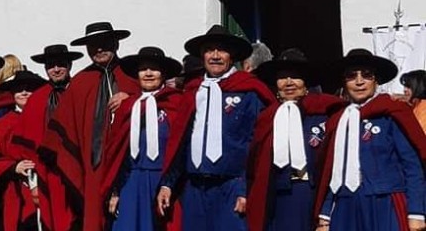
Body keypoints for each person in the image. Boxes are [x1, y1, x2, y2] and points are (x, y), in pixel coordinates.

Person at [155, 25, 275, 231]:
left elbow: (257, 144)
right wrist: (168, 183)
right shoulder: (193, 92)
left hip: (231, 186)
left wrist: (246, 189)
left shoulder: (249, 92)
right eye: (210, 50)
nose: (216, 56)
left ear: (232, 55)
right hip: (194, 187)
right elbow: (181, 141)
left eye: (222, 50)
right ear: (202, 55)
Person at [39, 21, 140, 231]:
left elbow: (153, 102)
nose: (99, 49)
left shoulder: (132, 76)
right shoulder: (80, 82)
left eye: (104, 43)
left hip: (129, 166)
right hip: (92, 167)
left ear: (116, 44)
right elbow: (61, 128)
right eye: (93, 45)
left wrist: (131, 99)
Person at [313, 49, 426, 231]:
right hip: (345, 205)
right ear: (344, 81)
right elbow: (331, 170)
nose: (359, 81)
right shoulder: (337, 120)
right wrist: (325, 214)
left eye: (366, 75)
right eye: (351, 76)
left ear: (376, 80)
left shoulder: (392, 114)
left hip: (384, 202)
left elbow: (412, 166)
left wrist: (416, 212)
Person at [246, 49, 344, 231]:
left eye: (295, 77)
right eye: (283, 77)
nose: (289, 82)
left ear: (305, 83)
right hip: (275, 194)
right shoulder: (266, 118)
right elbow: (254, 160)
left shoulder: (325, 113)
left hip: (310, 192)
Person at [102, 47, 183, 231]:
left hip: (163, 182)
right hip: (130, 182)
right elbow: (116, 152)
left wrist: (168, 184)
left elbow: (181, 147)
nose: (148, 73)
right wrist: (115, 190)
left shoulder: (176, 103)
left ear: (163, 74)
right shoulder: (127, 107)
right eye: (143, 69)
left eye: (153, 69)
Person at [6, 44, 83, 231]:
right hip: (47, 175)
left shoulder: (82, 93)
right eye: (51, 66)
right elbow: (26, 149)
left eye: (60, 64)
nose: (56, 69)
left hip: (80, 174)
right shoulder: (37, 99)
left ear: (69, 65)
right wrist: (33, 184)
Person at [0, 70, 47, 231]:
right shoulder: (4, 124)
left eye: (29, 88)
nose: (24, 92)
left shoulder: (49, 118)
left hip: (48, 189)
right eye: (19, 89)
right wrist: (13, 167)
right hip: (16, 191)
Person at [400, 69, 426, 133]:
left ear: (419, 86)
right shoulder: (413, 105)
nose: (404, 90)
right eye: (404, 86)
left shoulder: (423, 108)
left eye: (408, 86)